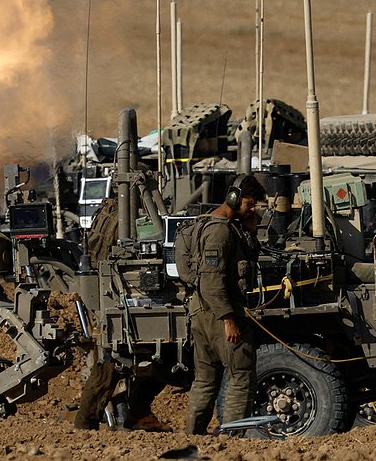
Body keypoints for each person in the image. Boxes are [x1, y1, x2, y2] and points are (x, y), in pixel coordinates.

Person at [74, 196, 171, 432]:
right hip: (118, 298)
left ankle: (136, 414)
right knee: (109, 367)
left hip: (108, 295)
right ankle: (85, 423)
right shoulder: (128, 220)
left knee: (131, 365)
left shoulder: (109, 213)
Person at [185, 173, 266, 435]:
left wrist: (252, 232)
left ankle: (194, 435)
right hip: (220, 316)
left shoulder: (214, 225)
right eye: (249, 204)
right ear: (234, 198)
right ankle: (231, 439)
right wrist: (229, 320)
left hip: (203, 314)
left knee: (206, 379)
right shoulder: (220, 231)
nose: (252, 210)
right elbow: (212, 281)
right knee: (242, 375)